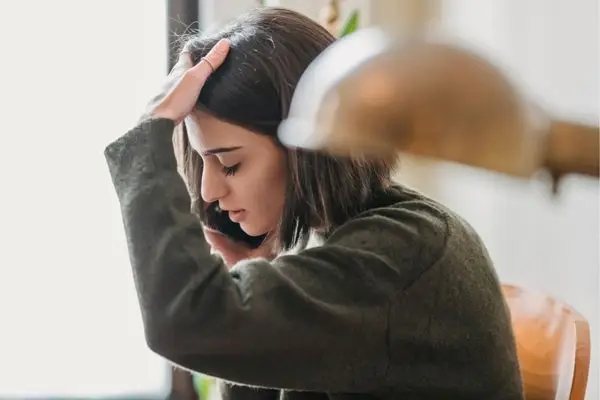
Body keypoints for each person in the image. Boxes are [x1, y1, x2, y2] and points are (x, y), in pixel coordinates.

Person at [104, 7, 524, 400]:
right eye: (203, 163)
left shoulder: (404, 253)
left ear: (303, 150)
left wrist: (149, 136)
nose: (210, 192)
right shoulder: (341, 239)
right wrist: (254, 283)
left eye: (230, 165)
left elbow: (185, 323)